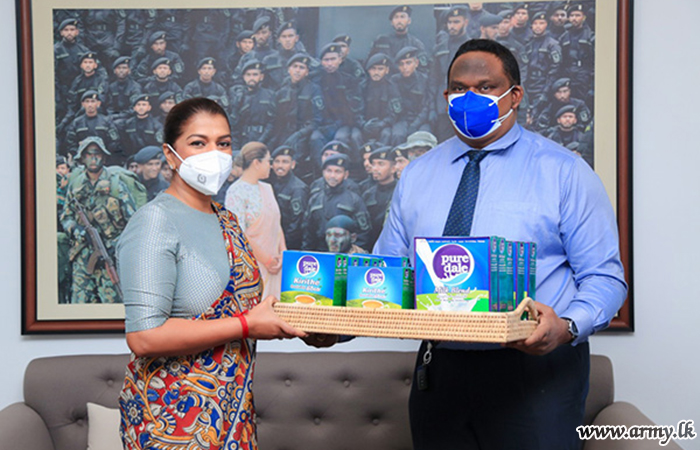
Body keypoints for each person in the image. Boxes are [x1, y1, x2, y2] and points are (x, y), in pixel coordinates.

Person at [374, 39, 627, 449]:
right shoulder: (417, 175)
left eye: (486, 87)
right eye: (459, 88)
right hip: (441, 369)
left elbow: (606, 279)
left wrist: (565, 327)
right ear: (446, 96)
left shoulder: (564, 172)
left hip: (536, 370)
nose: (470, 98)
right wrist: (333, 328)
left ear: (515, 95)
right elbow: (386, 272)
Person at [118, 98, 304, 450]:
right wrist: (247, 325)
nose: (214, 154)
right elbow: (144, 337)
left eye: (224, 143)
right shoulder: (155, 221)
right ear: (171, 155)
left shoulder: (227, 220)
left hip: (233, 415)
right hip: (171, 421)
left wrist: (304, 325)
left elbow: (247, 311)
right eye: (198, 143)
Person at [61, 136, 137, 304]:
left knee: (113, 304)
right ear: (82, 158)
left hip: (110, 256)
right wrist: (78, 231)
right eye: (88, 154)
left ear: (104, 157)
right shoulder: (76, 184)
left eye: (97, 154)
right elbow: (66, 217)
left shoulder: (117, 186)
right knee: (79, 305)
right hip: (83, 257)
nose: (93, 158)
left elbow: (134, 223)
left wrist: (116, 246)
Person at [225, 142, 286, 299]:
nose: (270, 166)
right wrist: (267, 260)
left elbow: (276, 224)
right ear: (256, 163)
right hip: (252, 267)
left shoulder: (267, 188)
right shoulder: (235, 192)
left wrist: (283, 254)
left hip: (276, 266)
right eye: (268, 161)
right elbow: (238, 233)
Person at [302, 153, 371, 251]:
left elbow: (364, 233)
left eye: (338, 172)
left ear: (346, 175)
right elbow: (308, 233)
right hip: (320, 252)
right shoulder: (315, 199)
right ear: (323, 172)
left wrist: (354, 254)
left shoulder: (354, 200)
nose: (332, 176)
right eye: (329, 171)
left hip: (344, 254)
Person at [269, 146, 309, 250]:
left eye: (285, 162)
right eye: (277, 161)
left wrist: (282, 244)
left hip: (288, 243)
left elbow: (297, 223)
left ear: (293, 165)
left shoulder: (298, 188)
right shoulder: (269, 182)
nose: (280, 166)